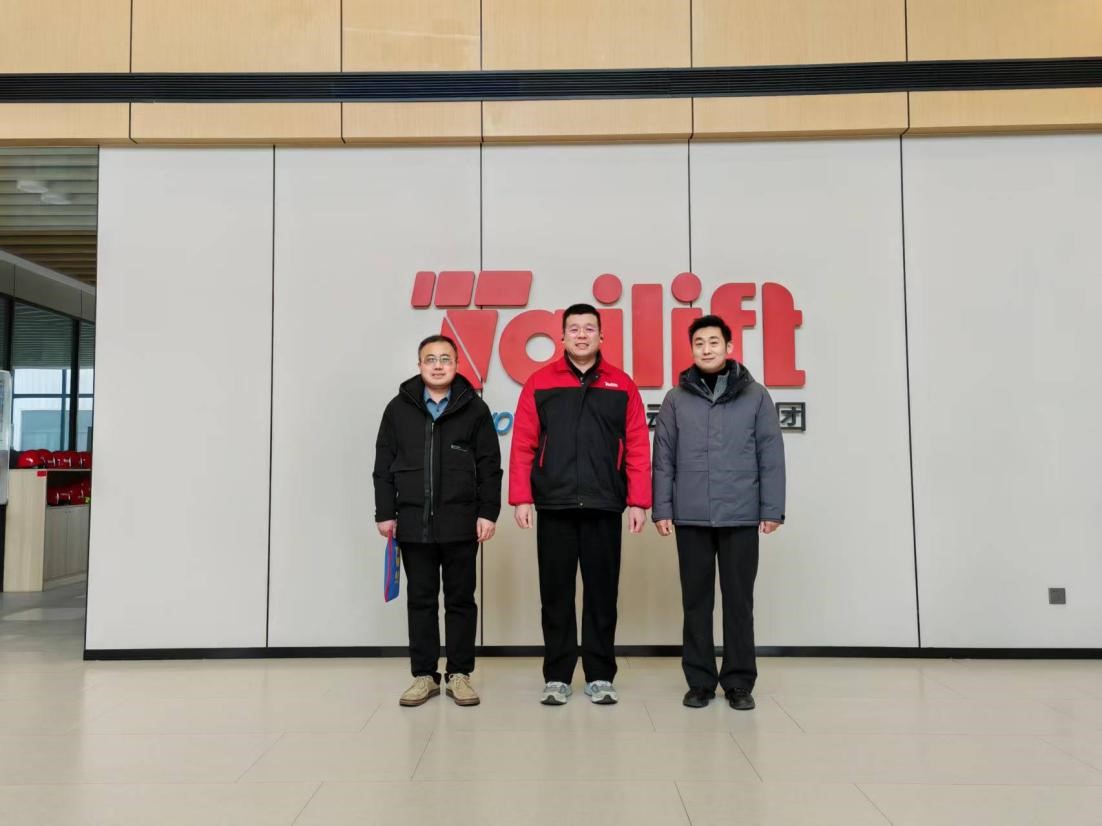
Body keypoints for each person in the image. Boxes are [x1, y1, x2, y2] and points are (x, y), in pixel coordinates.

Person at [510, 303, 651, 706]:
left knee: (602, 595)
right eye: (574, 329)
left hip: (604, 503)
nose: (582, 335)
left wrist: (638, 500)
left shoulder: (622, 384)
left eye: (590, 328)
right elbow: (523, 443)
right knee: (555, 595)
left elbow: (637, 445)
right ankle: (557, 676)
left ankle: (600, 675)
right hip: (554, 503)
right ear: (562, 337)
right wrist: (521, 497)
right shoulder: (540, 382)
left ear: (602, 336)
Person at [651, 314, 786, 711]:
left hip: (741, 514)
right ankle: (700, 682)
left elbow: (770, 454)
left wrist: (772, 509)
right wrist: (663, 508)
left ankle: (739, 682)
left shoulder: (756, 396)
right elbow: (664, 458)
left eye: (714, 342)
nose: (706, 349)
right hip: (690, 515)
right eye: (699, 343)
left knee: (739, 601)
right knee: (695, 602)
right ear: (691, 349)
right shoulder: (676, 399)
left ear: (728, 347)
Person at [373, 334, 502, 707]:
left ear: (457, 365)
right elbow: (383, 465)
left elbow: (490, 467)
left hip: (461, 522)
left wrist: (487, 512)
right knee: (421, 600)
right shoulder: (398, 409)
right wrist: (385, 513)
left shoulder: (474, 409)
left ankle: (459, 674)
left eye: (446, 358)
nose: (438, 365)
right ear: (419, 365)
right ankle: (424, 676)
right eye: (430, 359)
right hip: (413, 522)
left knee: (461, 600)